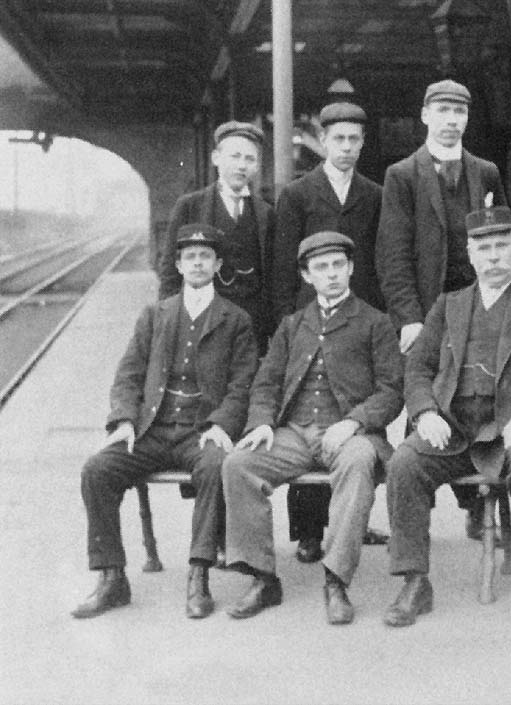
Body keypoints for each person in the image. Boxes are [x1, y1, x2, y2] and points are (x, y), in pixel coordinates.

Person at [382, 206, 511, 632]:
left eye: (501, 246)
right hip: (454, 428)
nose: (493, 257)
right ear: (470, 255)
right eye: (483, 248)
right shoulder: (448, 304)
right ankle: (415, 581)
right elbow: (417, 368)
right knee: (404, 463)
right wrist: (425, 411)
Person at [72, 226, 258, 619]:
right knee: (97, 470)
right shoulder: (155, 315)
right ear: (177, 264)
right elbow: (128, 375)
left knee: (215, 466)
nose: (197, 263)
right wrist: (123, 421)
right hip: (153, 430)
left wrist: (222, 424)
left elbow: (243, 385)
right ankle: (111, 577)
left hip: (201, 431)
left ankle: (199, 574)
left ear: (218, 265)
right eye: (189, 256)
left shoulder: (236, 319)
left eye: (205, 256)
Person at [221, 232, 403, 622]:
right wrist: (262, 423)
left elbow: (392, 391)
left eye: (339, 265)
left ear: (351, 269)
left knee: (357, 464)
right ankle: (263, 577)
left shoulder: (375, 322)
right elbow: (266, 381)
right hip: (294, 432)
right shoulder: (293, 325)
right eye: (322, 267)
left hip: (351, 434)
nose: (332, 274)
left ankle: (336, 581)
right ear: (307, 276)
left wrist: (354, 421)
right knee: (239, 463)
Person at [376, 79, 508, 537]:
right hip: (428, 311)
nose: (452, 121)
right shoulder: (403, 175)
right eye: (443, 111)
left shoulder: (485, 172)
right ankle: (418, 509)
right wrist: (409, 318)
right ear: (426, 115)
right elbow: (392, 254)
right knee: (427, 402)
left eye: (460, 112)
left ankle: (476, 501)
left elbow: (501, 242)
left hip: (478, 307)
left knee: (475, 396)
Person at [271, 101, 386, 564]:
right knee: (305, 412)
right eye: (337, 139)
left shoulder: (374, 194)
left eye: (354, 140)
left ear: (363, 143)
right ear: (322, 141)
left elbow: (379, 260)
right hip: (308, 318)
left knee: (352, 419)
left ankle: (350, 521)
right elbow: (284, 267)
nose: (346, 147)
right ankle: (309, 532)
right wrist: (290, 322)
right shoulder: (298, 195)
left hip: (360, 322)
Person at [158, 122, 276, 356]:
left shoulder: (266, 213)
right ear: (216, 158)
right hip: (203, 321)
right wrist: (169, 323)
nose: (242, 166)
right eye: (235, 156)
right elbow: (170, 272)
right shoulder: (190, 206)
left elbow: (273, 277)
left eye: (250, 159)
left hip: (252, 327)